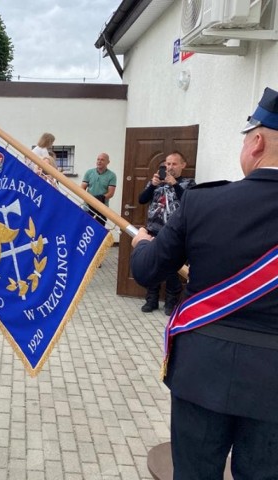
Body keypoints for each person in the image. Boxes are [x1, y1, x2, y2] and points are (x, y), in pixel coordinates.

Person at [130, 87, 278, 479]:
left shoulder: (203, 202)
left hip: (202, 371)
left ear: (257, 142)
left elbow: (148, 271)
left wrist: (142, 243)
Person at [137, 152, 195, 314]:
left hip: (174, 233)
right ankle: (151, 299)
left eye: (174, 164)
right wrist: (153, 185)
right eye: (167, 164)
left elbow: (190, 202)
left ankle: (171, 301)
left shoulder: (189, 183)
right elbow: (142, 200)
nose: (169, 167)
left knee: (171, 268)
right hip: (154, 230)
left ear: (183, 165)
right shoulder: (156, 182)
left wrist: (175, 184)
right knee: (153, 265)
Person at [80, 152, 117, 227]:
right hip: (87, 207)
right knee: (84, 229)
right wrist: (88, 198)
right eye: (98, 159)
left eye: (102, 160)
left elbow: (111, 193)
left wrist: (100, 198)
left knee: (98, 229)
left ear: (108, 162)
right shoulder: (89, 172)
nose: (99, 161)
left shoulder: (112, 175)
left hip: (102, 209)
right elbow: (82, 188)